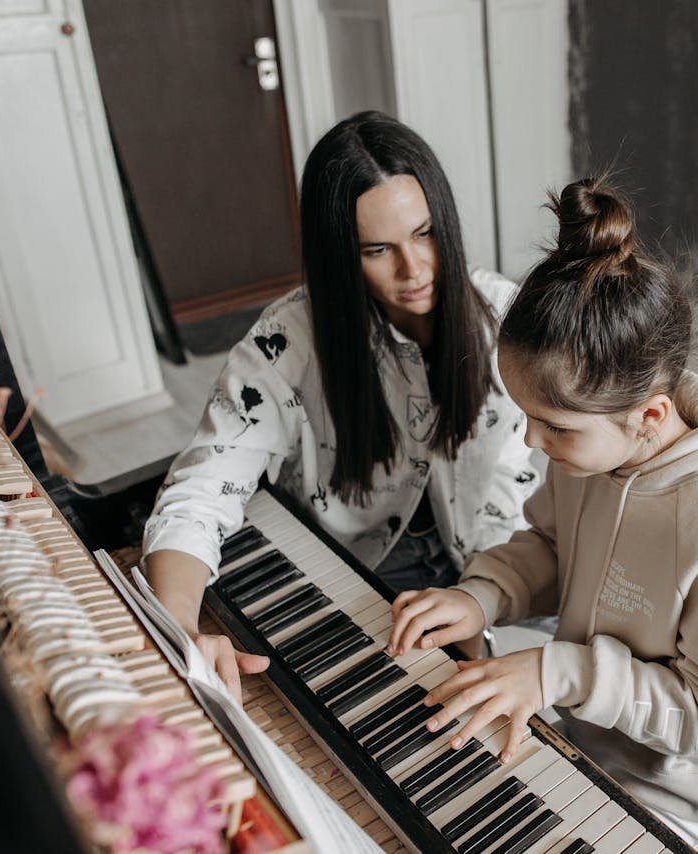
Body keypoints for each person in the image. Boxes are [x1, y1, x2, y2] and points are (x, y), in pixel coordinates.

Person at [387, 176, 698, 853]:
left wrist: (554, 672)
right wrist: (481, 597)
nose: (532, 443)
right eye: (526, 418)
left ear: (649, 415)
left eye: (553, 426)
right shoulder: (590, 456)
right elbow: (553, 550)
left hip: (685, 800)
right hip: (588, 741)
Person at [143, 111, 540, 702]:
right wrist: (179, 625)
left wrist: (477, 614)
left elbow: (520, 487)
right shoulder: (288, 339)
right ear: (338, 255)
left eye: (426, 233)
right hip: (359, 571)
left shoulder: (507, 318)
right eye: (378, 249)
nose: (414, 270)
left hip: (498, 564)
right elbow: (203, 484)